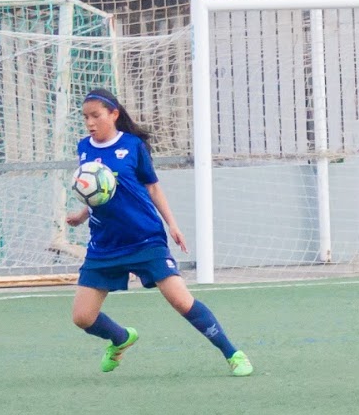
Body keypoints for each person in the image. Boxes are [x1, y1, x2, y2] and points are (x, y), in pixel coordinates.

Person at [66, 87, 253, 376]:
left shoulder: (132, 145)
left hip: (144, 239)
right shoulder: (84, 147)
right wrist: (81, 216)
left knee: (180, 300)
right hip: (105, 244)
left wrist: (172, 225)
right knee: (82, 317)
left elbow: (152, 187)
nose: (90, 122)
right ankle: (121, 338)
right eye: (85, 117)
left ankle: (233, 354)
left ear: (113, 114)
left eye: (96, 116)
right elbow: (98, 192)